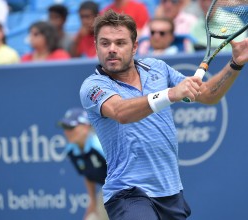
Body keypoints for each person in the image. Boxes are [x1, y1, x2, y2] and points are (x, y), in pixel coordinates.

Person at [79, 10, 248, 220]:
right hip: (128, 193)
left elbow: (206, 95)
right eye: (105, 43)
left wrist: (236, 63)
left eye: (120, 43)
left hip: (170, 192)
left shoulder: (157, 68)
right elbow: (120, 112)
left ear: (134, 47)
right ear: (96, 46)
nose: (112, 49)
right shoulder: (93, 86)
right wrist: (171, 94)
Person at [58, 108, 108, 220]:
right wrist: (92, 203)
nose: (67, 132)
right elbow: (88, 175)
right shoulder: (71, 151)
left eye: (71, 127)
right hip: (107, 190)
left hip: (126, 188)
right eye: (65, 128)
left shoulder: (99, 146)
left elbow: (122, 171)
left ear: (85, 127)